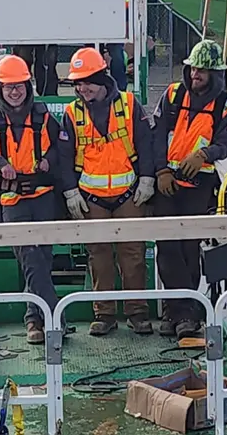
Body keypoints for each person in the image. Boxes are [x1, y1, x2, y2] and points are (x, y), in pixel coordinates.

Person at [59, 47, 156, 337]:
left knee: (133, 254)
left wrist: (147, 179)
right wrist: (70, 192)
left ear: (102, 77)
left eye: (86, 81)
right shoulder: (71, 113)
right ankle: (104, 315)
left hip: (129, 194)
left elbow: (145, 143)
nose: (82, 88)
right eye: (77, 83)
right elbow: (64, 156)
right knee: (98, 256)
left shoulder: (128, 105)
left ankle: (138, 314)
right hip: (91, 198)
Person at [0, 55, 63, 344]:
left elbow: (63, 146)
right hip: (11, 199)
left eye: (19, 86)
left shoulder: (44, 117)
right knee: (29, 257)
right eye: (8, 87)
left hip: (43, 196)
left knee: (44, 257)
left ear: (27, 86)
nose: (14, 92)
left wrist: (48, 160)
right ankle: (55, 316)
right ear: (0, 89)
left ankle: (35, 320)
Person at [151, 39, 227, 340]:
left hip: (199, 185)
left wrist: (204, 155)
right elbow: (157, 134)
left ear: (214, 74)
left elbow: (225, 144)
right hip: (168, 183)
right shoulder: (173, 95)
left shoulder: (225, 106)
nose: (194, 76)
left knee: (190, 249)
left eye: (202, 71)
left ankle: (182, 313)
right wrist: (162, 170)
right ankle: (178, 312)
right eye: (192, 69)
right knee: (168, 248)